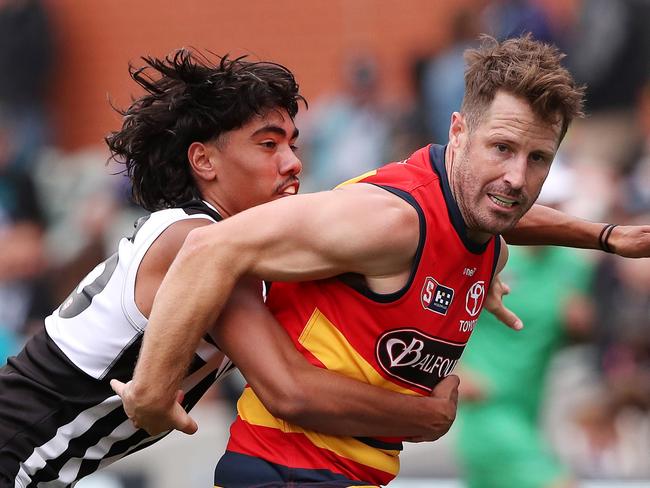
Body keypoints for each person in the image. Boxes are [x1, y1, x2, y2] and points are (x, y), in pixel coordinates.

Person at [118, 35, 650, 486]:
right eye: (502, 149)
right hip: (285, 471)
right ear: (459, 133)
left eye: (539, 159)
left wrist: (607, 236)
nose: (517, 176)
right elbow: (209, 247)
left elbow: (506, 213)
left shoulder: (468, 214)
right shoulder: (391, 221)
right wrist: (153, 389)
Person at [0, 50, 465, 488]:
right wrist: (422, 417)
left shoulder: (222, 243)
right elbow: (289, 391)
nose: (293, 162)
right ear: (204, 160)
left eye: (293, 144)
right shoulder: (199, 245)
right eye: (268, 144)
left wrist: (467, 255)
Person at [455, 161, 595, 488]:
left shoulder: (574, 267)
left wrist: (582, 325)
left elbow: (575, 334)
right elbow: (436, 311)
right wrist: (451, 372)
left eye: (560, 205)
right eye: (547, 203)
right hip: (487, 409)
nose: (552, 213)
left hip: (531, 410)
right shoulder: (491, 254)